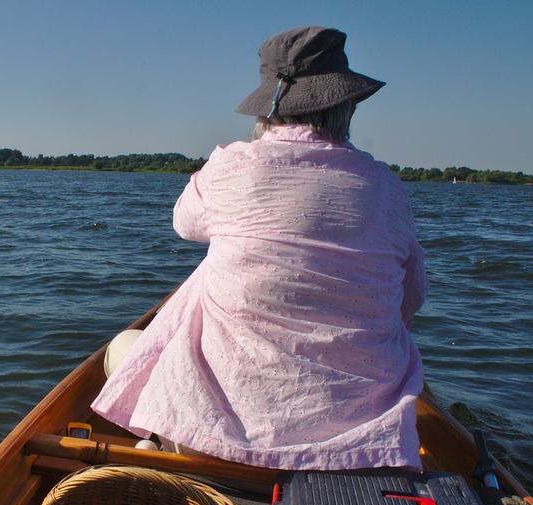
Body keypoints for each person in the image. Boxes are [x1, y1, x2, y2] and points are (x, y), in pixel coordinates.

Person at [91, 26, 428, 470]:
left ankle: (163, 440)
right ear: (345, 104)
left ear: (268, 106)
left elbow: (185, 225)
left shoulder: (231, 166)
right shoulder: (387, 187)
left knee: (123, 347)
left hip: (214, 440)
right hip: (360, 446)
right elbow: (411, 299)